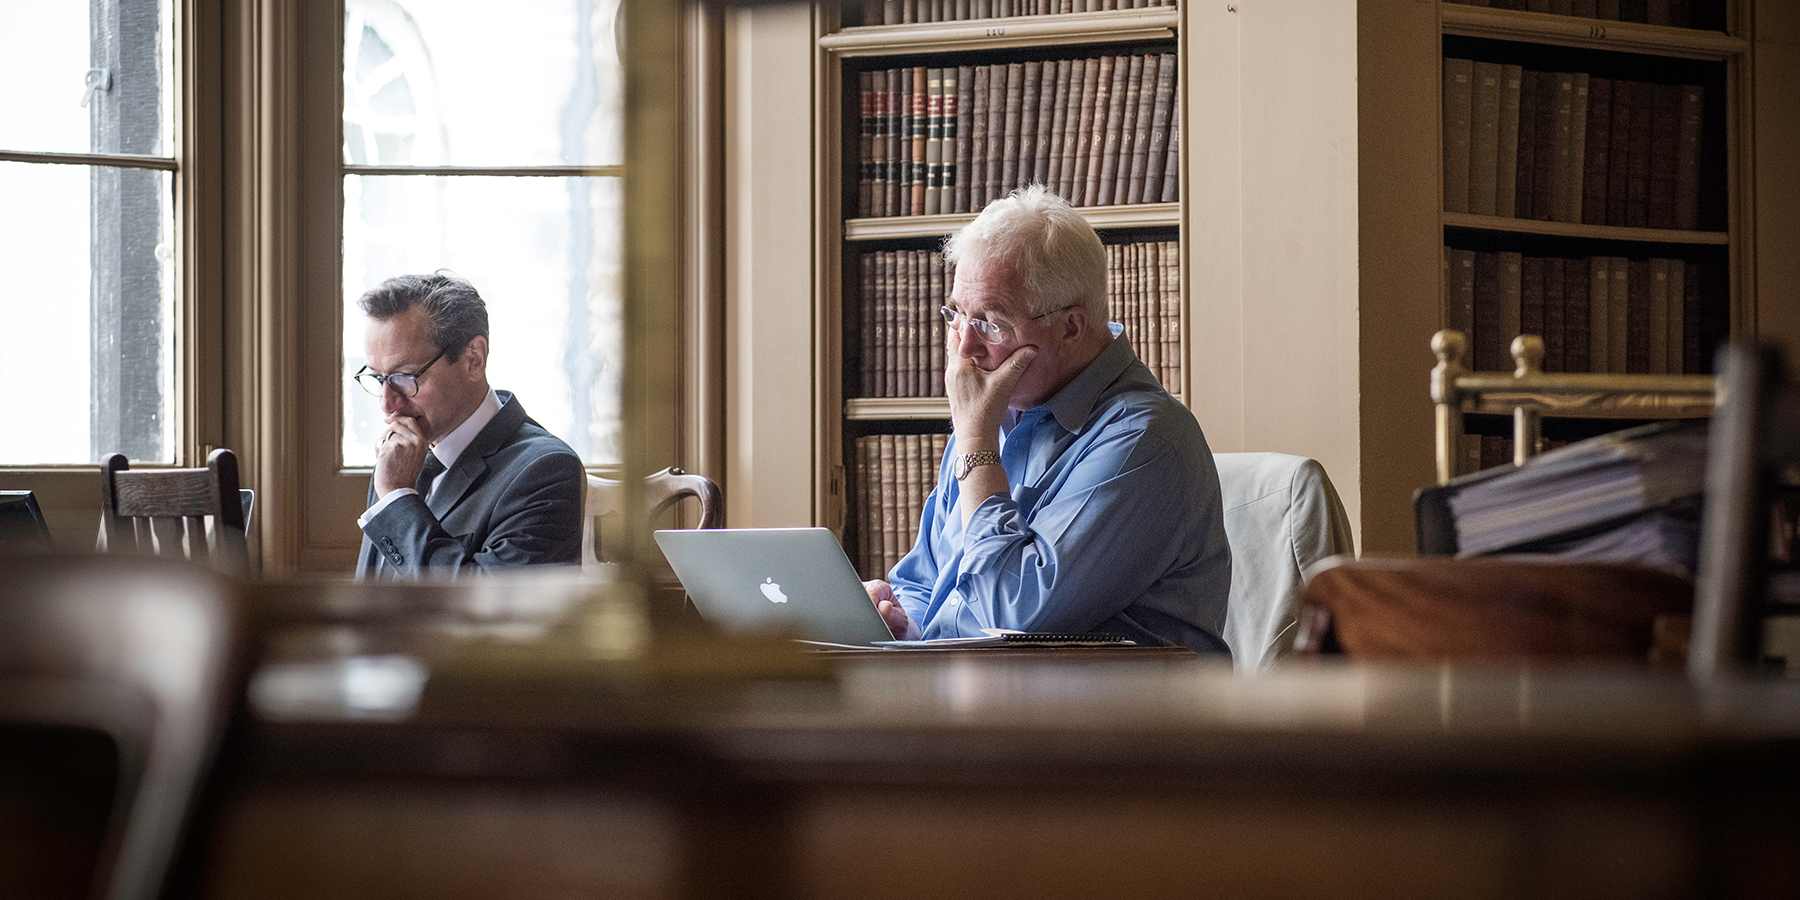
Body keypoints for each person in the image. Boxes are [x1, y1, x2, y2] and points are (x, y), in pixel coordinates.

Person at [863, 185, 1232, 654]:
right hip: (963, 688)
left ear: (1071, 328)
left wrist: (976, 445)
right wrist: (902, 622)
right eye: (957, 314)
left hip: (1100, 702)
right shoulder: (995, 412)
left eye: (992, 323)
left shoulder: (1145, 439)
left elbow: (1013, 613)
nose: (965, 348)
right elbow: (926, 580)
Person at [352, 272, 584, 578]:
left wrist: (396, 497)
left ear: (474, 359)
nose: (387, 404)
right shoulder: (398, 456)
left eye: (405, 377)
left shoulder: (546, 471)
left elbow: (481, 600)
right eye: (377, 378)